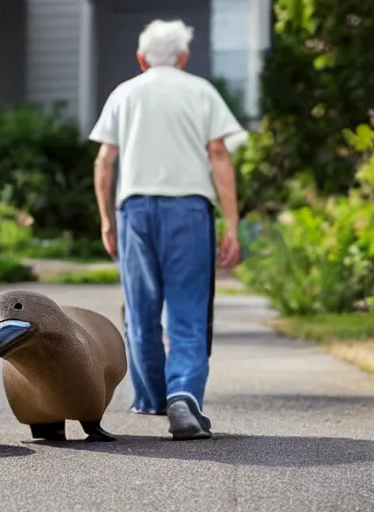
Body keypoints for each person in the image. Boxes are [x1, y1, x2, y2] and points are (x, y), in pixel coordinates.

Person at [89, 19, 242, 440]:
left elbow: (104, 161)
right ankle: (184, 396)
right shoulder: (201, 91)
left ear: (141, 58)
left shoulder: (124, 93)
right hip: (189, 209)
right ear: (184, 57)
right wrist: (232, 223)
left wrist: (106, 218)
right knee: (188, 311)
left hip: (135, 210)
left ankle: (154, 397)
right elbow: (219, 154)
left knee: (140, 309)